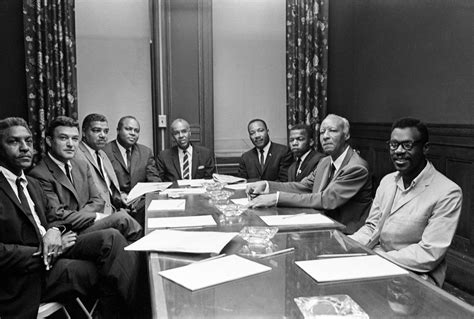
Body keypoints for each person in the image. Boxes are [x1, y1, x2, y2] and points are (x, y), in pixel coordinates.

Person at [0, 117, 140, 318]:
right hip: (25, 275)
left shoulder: (30, 183)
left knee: (113, 249)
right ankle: (139, 309)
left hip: (57, 252)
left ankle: (129, 310)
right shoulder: (37, 176)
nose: (24, 148)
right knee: (111, 263)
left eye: (28, 141)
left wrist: (55, 231)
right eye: (14, 142)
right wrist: (47, 252)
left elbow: (53, 220)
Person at [350, 118, 462, 286]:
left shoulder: (448, 192)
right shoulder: (388, 181)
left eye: (407, 145)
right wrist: (347, 244)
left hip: (416, 272)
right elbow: (372, 227)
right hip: (377, 259)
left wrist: (374, 259)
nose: (399, 151)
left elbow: (428, 253)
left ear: (425, 148)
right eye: (394, 145)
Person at [246, 114, 372, 234]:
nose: (325, 136)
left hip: (346, 234)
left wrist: (276, 198)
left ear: (346, 135)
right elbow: (303, 186)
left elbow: (326, 199)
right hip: (321, 224)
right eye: (322, 132)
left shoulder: (356, 167)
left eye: (332, 130)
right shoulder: (325, 162)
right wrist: (267, 185)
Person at [29, 116, 142, 242]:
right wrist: (95, 216)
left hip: (87, 223)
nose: (70, 144)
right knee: (122, 219)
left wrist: (82, 216)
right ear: (49, 141)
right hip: (69, 233)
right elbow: (57, 215)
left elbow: (98, 200)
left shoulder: (81, 165)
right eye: (63, 138)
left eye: (74, 139)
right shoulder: (39, 174)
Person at [103, 116, 158, 194]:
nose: (133, 133)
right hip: (114, 203)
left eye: (136, 131)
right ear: (118, 130)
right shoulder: (105, 151)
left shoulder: (146, 152)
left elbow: (154, 180)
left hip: (140, 202)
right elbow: (102, 185)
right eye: (128, 129)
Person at [148, 118, 216, 182]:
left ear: (189, 133)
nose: (181, 136)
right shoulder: (164, 156)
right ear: (173, 136)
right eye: (176, 133)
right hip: (174, 193)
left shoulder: (205, 154)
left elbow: (209, 180)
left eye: (184, 131)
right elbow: (158, 181)